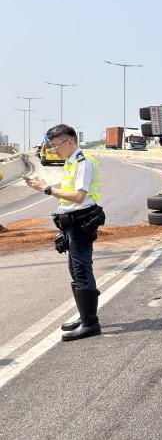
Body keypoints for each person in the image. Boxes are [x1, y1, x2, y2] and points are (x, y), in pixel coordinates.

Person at [25, 124, 104, 341]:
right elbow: (68, 192)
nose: (53, 150)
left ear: (69, 142)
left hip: (81, 223)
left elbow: (79, 197)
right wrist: (45, 185)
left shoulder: (83, 163)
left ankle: (91, 324)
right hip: (71, 224)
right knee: (74, 269)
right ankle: (84, 315)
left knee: (81, 270)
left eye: (55, 146)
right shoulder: (70, 163)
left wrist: (48, 189)